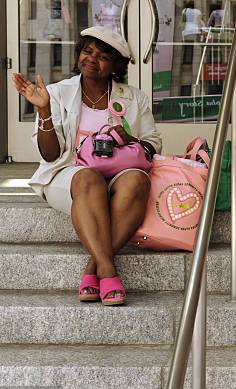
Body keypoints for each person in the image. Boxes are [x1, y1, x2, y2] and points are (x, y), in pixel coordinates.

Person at [13, 26, 162, 306]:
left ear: (115, 66)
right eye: (87, 51)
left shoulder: (134, 97)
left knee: (138, 181)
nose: (92, 59)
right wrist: (44, 110)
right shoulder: (57, 93)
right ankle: (106, 269)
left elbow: (153, 141)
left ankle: (93, 266)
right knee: (89, 178)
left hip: (119, 171)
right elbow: (50, 154)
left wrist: (130, 139)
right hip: (69, 174)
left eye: (103, 56)